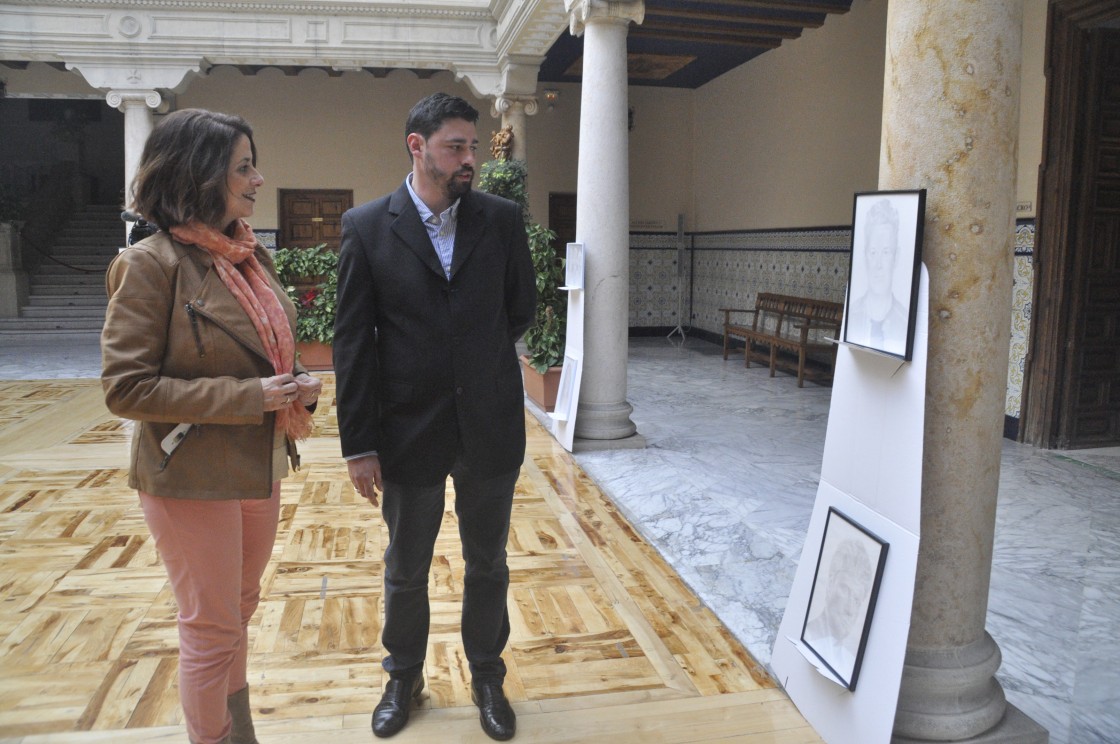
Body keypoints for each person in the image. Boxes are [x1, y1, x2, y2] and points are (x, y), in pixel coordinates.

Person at [101, 108, 322, 744]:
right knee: (210, 625)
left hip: (258, 461)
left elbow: (269, 347)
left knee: (239, 612)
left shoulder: (250, 255)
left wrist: (294, 383)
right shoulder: (151, 264)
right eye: (243, 168)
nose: (257, 180)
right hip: (189, 472)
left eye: (253, 166)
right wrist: (249, 396)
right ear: (200, 176)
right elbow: (126, 387)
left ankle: (239, 729)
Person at [333, 92, 536, 741]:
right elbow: (352, 342)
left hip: (490, 426)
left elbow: (520, 310)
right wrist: (359, 443)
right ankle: (404, 676)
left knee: (489, 561)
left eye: (472, 146)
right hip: (407, 430)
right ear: (417, 148)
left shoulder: (500, 221)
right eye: (456, 146)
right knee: (406, 564)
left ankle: (487, 674)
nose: (470, 158)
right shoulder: (366, 227)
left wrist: (471, 366)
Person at [801, 537, 876, 683]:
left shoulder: (848, 665)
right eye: (845, 591)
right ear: (830, 585)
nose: (850, 609)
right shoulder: (806, 635)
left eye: (856, 599)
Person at [845, 198, 909, 355]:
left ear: (896, 256)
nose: (878, 265)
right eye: (873, 252)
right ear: (865, 255)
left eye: (886, 252)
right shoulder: (852, 315)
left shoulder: (905, 321)